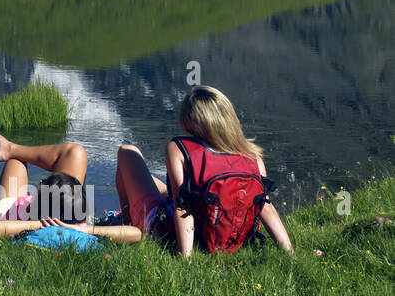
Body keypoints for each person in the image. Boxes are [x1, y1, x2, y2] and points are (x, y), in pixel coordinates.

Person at [115, 85, 292, 257]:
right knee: (156, 184)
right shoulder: (253, 158)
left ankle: (127, 222)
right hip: (233, 239)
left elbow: (182, 207)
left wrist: (186, 259)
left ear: (191, 121)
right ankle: (128, 220)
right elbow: (266, 209)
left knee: (128, 152)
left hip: (170, 233)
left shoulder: (179, 149)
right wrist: (290, 254)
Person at [0, 126, 91, 227]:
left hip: (18, 215)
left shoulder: (13, 220)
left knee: (16, 161)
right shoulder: (80, 226)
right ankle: (10, 149)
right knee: (75, 152)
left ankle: (10, 150)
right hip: (59, 208)